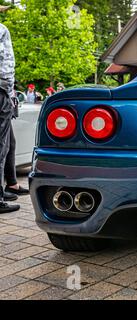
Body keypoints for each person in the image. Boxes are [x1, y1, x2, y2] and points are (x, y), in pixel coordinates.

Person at [0, 9, 20, 213]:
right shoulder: (1, 30)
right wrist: (7, 88)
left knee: (7, 144)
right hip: (0, 91)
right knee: (1, 146)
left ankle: (6, 186)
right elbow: (5, 64)